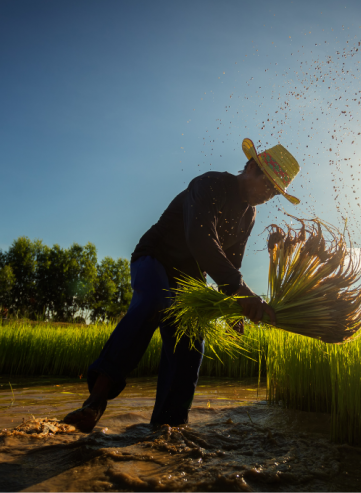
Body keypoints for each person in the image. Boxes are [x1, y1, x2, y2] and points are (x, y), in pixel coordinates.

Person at [63, 138, 301, 432]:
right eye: (268, 185)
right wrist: (241, 291)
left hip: (189, 279)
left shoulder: (249, 215)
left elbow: (232, 262)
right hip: (155, 258)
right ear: (251, 167)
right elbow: (200, 239)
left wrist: (232, 308)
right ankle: (95, 403)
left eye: (276, 192)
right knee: (152, 303)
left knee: (191, 344)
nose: (269, 195)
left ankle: (167, 428)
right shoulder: (209, 184)